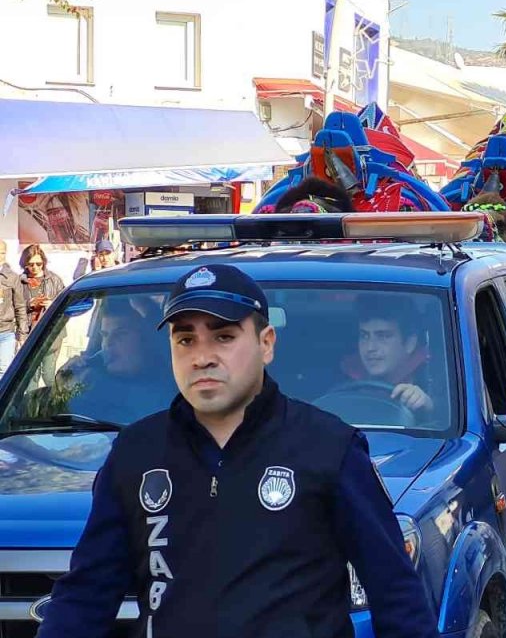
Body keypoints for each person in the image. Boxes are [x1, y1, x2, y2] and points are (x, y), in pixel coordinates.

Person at [36, 264, 432, 637]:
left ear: (266, 344)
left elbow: (395, 593)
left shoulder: (329, 447)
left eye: (224, 336)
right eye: (186, 339)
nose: (203, 356)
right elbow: (85, 595)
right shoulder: (137, 453)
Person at [338, 297, 435, 415]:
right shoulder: (341, 377)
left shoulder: (435, 377)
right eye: (364, 336)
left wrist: (428, 407)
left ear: (410, 343)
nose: (370, 348)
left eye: (383, 336)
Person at [20, 245, 66, 386]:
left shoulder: (54, 280)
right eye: (31, 264)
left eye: (38, 264)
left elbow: (66, 305)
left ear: (43, 263)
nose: (35, 267)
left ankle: (54, 404)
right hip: (29, 332)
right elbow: (15, 306)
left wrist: (53, 304)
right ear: (25, 264)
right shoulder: (20, 281)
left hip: (51, 332)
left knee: (48, 374)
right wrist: (29, 304)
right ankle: (32, 406)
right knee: (31, 376)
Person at [0, 242, 30, 376]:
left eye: (1, 252)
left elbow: (20, 306)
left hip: (6, 332)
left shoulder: (12, 277)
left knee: (4, 371)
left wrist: (22, 334)